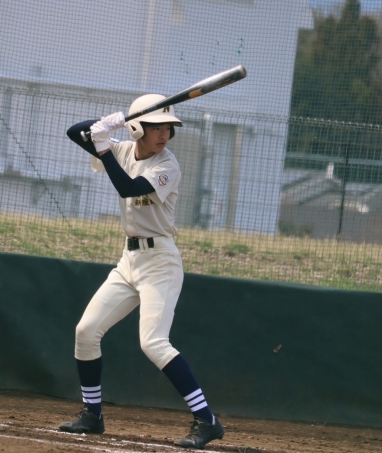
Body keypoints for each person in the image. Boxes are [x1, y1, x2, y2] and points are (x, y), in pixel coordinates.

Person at [58, 95, 225, 449]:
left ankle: (207, 420)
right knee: (86, 332)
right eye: (155, 127)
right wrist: (114, 121)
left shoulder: (167, 165)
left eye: (168, 128)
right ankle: (92, 415)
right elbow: (74, 132)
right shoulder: (122, 149)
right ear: (137, 129)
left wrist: (104, 146)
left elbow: (129, 188)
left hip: (160, 262)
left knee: (153, 343)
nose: (164, 134)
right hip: (129, 261)